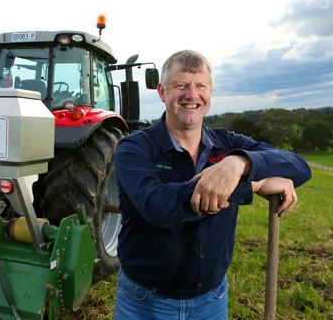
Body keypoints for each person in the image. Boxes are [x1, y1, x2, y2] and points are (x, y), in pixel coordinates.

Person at [113, 50, 311, 319]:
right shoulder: (134, 147)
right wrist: (250, 186)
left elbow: (298, 166)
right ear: (161, 91)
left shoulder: (227, 144)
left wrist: (238, 164)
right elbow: (156, 205)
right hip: (146, 301)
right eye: (180, 85)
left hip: (211, 300)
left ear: (210, 92)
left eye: (200, 86)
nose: (191, 95)